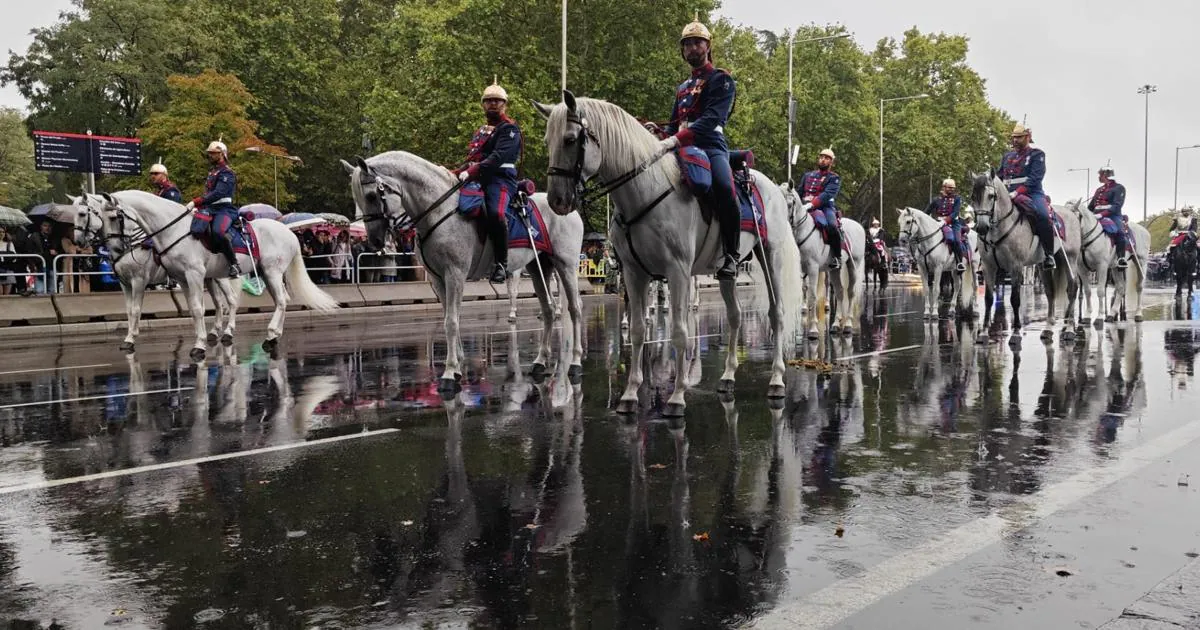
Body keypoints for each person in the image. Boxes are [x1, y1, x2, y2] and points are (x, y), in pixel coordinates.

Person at [653, 15, 741, 279]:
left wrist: (676, 138)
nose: (692, 48)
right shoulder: (683, 87)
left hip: (710, 145)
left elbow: (712, 119)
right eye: (687, 44)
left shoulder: (721, 80)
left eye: (697, 43)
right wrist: (658, 134)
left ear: (708, 46)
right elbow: (673, 125)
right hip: (680, 147)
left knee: (725, 187)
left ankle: (731, 255)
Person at [457, 79, 522, 284]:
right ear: (483, 105)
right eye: (489, 101)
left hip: (501, 180)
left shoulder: (510, 129)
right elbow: (472, 158)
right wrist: (454, 171)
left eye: (497, 101)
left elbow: (498, 157)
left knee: (496, 213)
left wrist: (474, 170)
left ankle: (501, 263)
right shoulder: (481, 131)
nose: (493, 104)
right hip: (479, 178)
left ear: (505, 104)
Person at [999, 124, 1056, 268]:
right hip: (1007, 194)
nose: (1015, 140)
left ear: (1028, 137)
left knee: (1043, 216)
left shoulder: (1037, 154)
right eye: (1014, 137)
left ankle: (1049, 254)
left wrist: (1017, 192)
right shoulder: (1007, 156)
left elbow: (1035, 178)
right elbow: (1000, 176)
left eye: (1019, 137)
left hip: (1031, 193)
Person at [186, 140, 241, 278]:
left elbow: (219, 193)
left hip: (225, 210)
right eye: (210, 153)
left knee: (218, 231)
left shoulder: (227, 173)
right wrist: (199, 206)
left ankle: (234, 264)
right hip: (210, 209)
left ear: (222, 154)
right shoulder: (213, 172)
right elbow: (208, 193)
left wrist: (196, 201)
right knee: (194, 228)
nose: (210, 156)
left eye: (213, 153)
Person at [798, 148, 843, 269]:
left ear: (831, 163)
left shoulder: (834, 178)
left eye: (827, 158)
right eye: (822, 157)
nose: (823, 160)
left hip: (824, 207)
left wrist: (811, 204)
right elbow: (799, 191)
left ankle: (837, 257)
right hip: (804, 206)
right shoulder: (807, 175)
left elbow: (827, 194)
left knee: (832, 226)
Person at [1087, 166, 1128, 268]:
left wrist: (1101, 214)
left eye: (1100, 174)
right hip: (1095, 215)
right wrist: (1087, 215)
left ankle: (1121, 258)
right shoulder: (1099, 190)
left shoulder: (1119, 188)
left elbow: (1117, 205)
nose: (1099, 177)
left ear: (1105, 175)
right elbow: (1091, 206)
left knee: (1120, 232)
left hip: (1112, 215)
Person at [926, 178, 969, 272]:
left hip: (954, 223)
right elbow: (927, 211)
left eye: (953, 188)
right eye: (949, 188)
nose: (951, 190)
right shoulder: (937, 199)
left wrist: (945, 221)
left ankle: (959, 263)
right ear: (944, 187)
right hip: (938, 223)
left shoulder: (957, 198)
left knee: (956, 240)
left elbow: (955, 213)